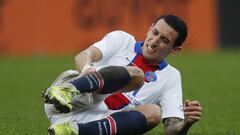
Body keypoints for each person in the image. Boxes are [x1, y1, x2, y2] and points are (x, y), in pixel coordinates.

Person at [43, 14, 202, 135]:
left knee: (154, 113)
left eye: (164, 40)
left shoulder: (171, 77)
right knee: (137, 75)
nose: (154, 41)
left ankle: (72, 131)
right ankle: (66, 89)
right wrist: (85, 69)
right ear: (150, 28)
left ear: (175, 50)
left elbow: (172, 129)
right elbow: (83, 55)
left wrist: (186, 122)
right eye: (155, 32)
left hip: (94, 120)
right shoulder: (122, 40)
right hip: (71, 98)